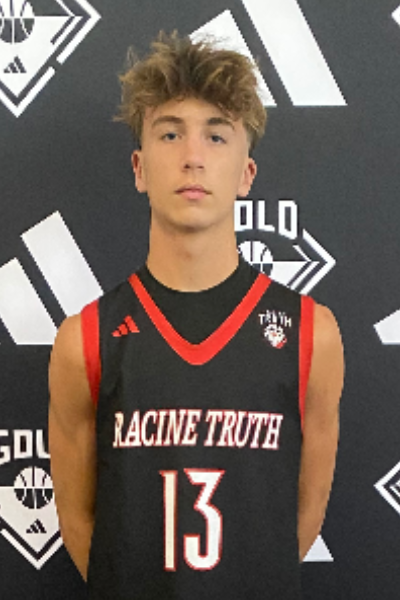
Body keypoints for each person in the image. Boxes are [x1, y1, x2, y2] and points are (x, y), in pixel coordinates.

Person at [48, 31, 344, 600]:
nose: (192, 156)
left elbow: (299, 521)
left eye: (216, 134)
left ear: (246, 174)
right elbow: (81, 524)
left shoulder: (312, 334)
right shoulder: (85, 340)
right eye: (170, 133)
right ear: (139, 169)